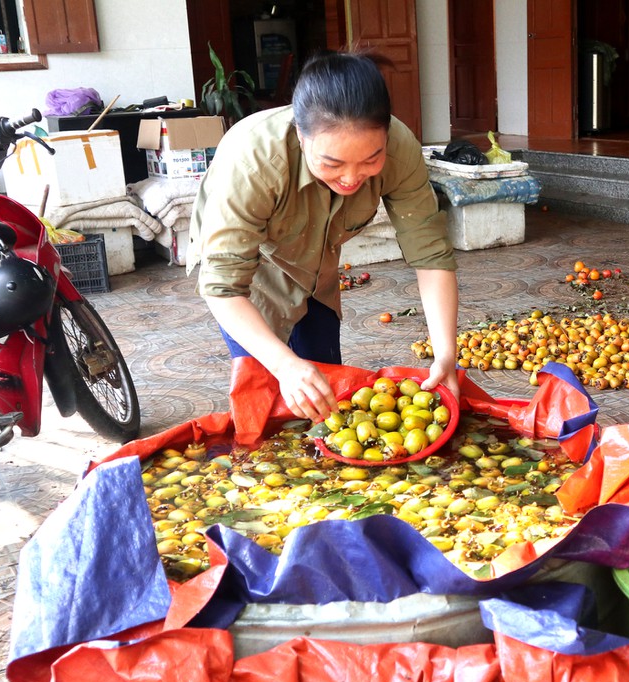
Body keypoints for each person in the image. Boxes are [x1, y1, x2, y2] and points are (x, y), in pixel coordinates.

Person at [188, 50, 459, 422]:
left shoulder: (399, 148)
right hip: (252, 275)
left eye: (370, 161)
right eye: (332, 163)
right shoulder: (253, 161)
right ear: (301, 134)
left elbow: (431, 256)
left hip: (317, 269)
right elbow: (223, 289)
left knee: (327, 398)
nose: (351, 178)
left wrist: (445, 355)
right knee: (267, 396)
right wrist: (285, 366)